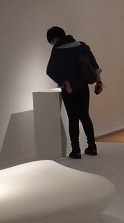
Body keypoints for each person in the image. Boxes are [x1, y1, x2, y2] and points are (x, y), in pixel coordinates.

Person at [45, 26, 105, 158]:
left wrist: (64, 82)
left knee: (73, 119)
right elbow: (95, 66)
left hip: (69, 89)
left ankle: (76, 150)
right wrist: (99, 82)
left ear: (54, 39)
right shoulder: (81, 45)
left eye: (52, 42)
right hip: (83, 87)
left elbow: (50, 71)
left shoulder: (57, 50)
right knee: (85, 116)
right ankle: (92, 147)